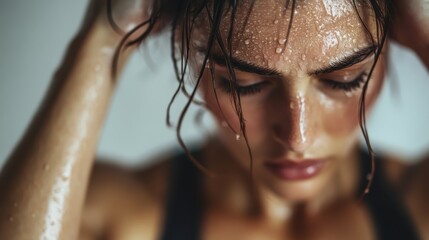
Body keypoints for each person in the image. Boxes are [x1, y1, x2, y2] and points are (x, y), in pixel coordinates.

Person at [0, 0, 428, 239]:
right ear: (193, 59)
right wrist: (105, 38)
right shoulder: (128, 217)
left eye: (345, 80)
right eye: (245, 85)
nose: (298, 136)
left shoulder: (416, 205)